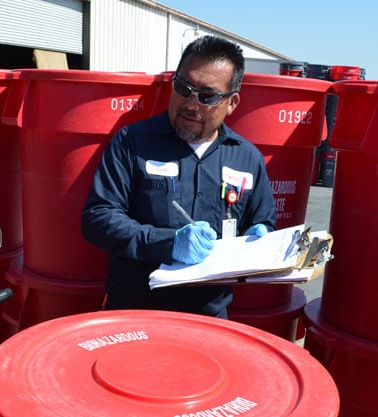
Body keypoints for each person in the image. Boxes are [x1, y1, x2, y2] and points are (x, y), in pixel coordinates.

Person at [81, 35, 277, 318]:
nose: (190, 104)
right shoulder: (132, 142)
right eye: (183, 88)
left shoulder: (247, 158)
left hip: (208, 316)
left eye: (207, 97)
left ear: (232, 103)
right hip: (136, 311)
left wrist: (262, 237)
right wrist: (168, 243)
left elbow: (262, 220)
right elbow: (98, 218)